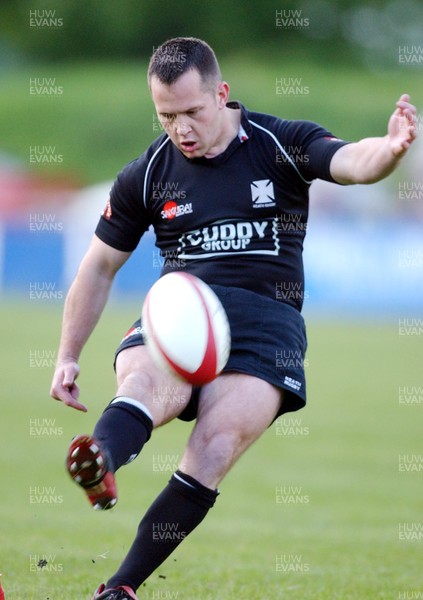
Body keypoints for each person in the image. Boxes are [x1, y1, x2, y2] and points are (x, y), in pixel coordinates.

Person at [50, 37, 417, 600]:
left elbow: (348, 161)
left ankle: (119, 588)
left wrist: (390, 150)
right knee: (145, 384)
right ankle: (101, 460)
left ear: (221, 94)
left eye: (193, 112)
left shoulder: (279, 142)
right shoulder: (148, 172)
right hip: (183, 308)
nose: (181, 129)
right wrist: (68, 355)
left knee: (214, 447)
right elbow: (98, 267)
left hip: (267, 326)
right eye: (166, 116)